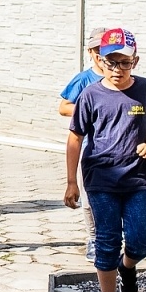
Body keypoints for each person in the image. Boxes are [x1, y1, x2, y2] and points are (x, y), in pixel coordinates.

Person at [64, 28, 146, 292]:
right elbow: (75, 138)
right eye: (111, 63)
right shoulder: (90, 94)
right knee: (106, 242)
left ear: (136, 61)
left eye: (125, 63)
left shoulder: (145, 89)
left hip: (137, 179)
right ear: (100, 61)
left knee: (142, 240)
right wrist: (71, 181)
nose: (118, 70)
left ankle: (128, 266)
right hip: (101, 181)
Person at [58, 28, 108, 264]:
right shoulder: (84, 79)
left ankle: (111, 239)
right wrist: (90, 110)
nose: (100, 54)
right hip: (89, 149)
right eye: (96, 50)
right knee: (88, 199)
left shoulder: (121, 78)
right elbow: (63, 107)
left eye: (104, 49)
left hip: (116, 151)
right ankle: (93, 239)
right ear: (90, 52)